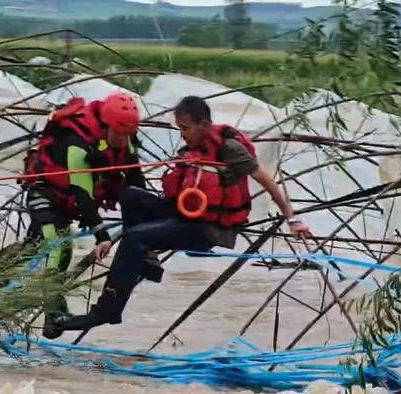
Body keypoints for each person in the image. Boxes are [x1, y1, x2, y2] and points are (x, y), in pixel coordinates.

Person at [47, 95, 313, 336]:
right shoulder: (194, 147)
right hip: (184, 212)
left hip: (208, 227)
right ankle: (147, 261)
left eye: (185, 129)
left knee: (133, 238)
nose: (182, 136)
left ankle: (107, 310)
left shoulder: (230, 148)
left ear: (204, 124)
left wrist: (292, 219)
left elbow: (265, 179)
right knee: (131, 196)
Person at [20, 92, 146, 339]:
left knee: (28, 253)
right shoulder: (76, 142)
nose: (122, 141)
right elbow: (83, 194)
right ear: (106, 126)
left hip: (70, 208)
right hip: (46, 198)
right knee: (60, 248)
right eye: (118, 135)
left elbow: (135, 180)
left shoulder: (127, 138)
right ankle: (53, 314)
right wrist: (102, 235)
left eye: (126, 136)